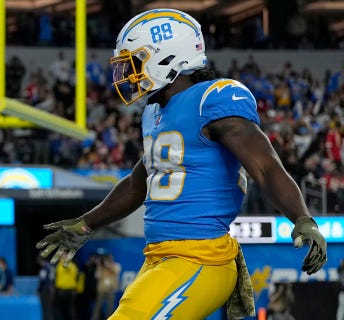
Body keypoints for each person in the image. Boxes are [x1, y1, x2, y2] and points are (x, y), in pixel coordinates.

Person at [36, 8, 327, 320]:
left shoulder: (212, 99)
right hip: (159, 258)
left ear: (166, 57)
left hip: (201, 256)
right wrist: (86, 224)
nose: (127, 76)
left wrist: (302, 218)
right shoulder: (154, 112)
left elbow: (266, 167)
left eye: (135, 63)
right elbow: (139, 182)